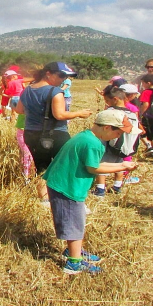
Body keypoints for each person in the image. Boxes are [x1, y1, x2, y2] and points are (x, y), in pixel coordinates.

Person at [43, 109, 139, 274]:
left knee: (73, 221)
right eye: (119, 132)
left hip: (64, 183)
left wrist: (122, 166)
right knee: (75, 224)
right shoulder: (92, 143)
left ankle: (74, 250)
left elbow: (94, 165)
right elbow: (94, 168)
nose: (119, 136)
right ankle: (73, 263)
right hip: (68, 187)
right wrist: (122, 166)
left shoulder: (87, 137)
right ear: (107, 128)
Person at [14, 62, 93, 203]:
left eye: (66, 76)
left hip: (31, 134)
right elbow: (60, 115)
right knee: (67, 165)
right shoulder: (56, 92)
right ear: (48, 73)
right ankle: (68, 199)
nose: (64, 79)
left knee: (41, 166)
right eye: (61, 75)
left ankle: (44, 199)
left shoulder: (27, 90)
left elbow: (19, 110)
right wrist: (79, 113)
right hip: (55, 134)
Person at [92, 86, 143, 197]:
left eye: (107, 101)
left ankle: (100, 189)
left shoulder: (111, 112)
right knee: (120, 164)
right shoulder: (132, 114)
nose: (107, 103)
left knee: (101, 163)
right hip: (125, 147)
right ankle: (117, 186)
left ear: (115, 99)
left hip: (110, 144)